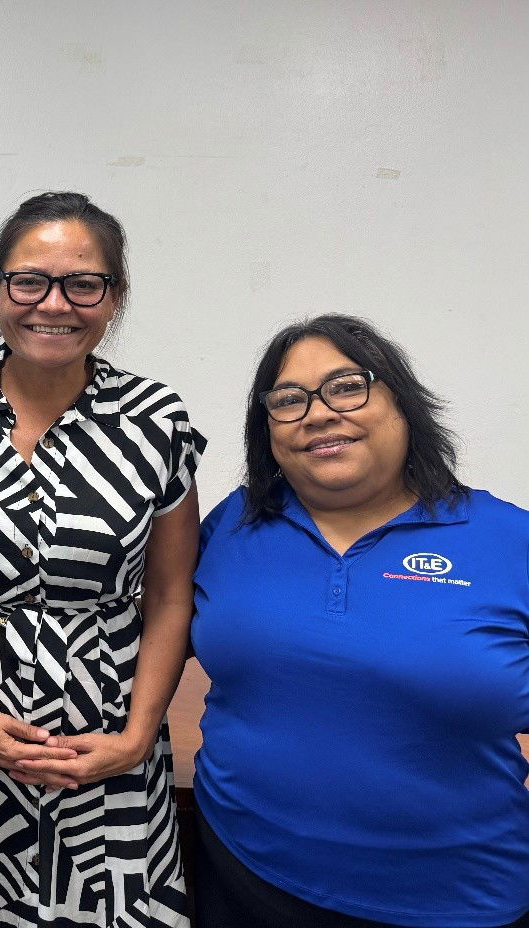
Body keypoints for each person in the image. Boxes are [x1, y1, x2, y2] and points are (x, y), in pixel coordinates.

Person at [0, 192, 203, 927]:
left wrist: (134, 738)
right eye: (29, 281)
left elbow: (172, 593)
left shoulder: (158, 421)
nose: (54, 304)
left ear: (114, 299)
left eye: (83, 284)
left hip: (104, 737)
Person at [193, 314, 529, 928]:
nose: (318, 413)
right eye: (288, 400)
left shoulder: (509, 540)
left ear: (404, 406)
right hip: (240, 868)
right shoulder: (234, 523)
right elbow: (152, 623)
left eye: (348, 386)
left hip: (453, 899)